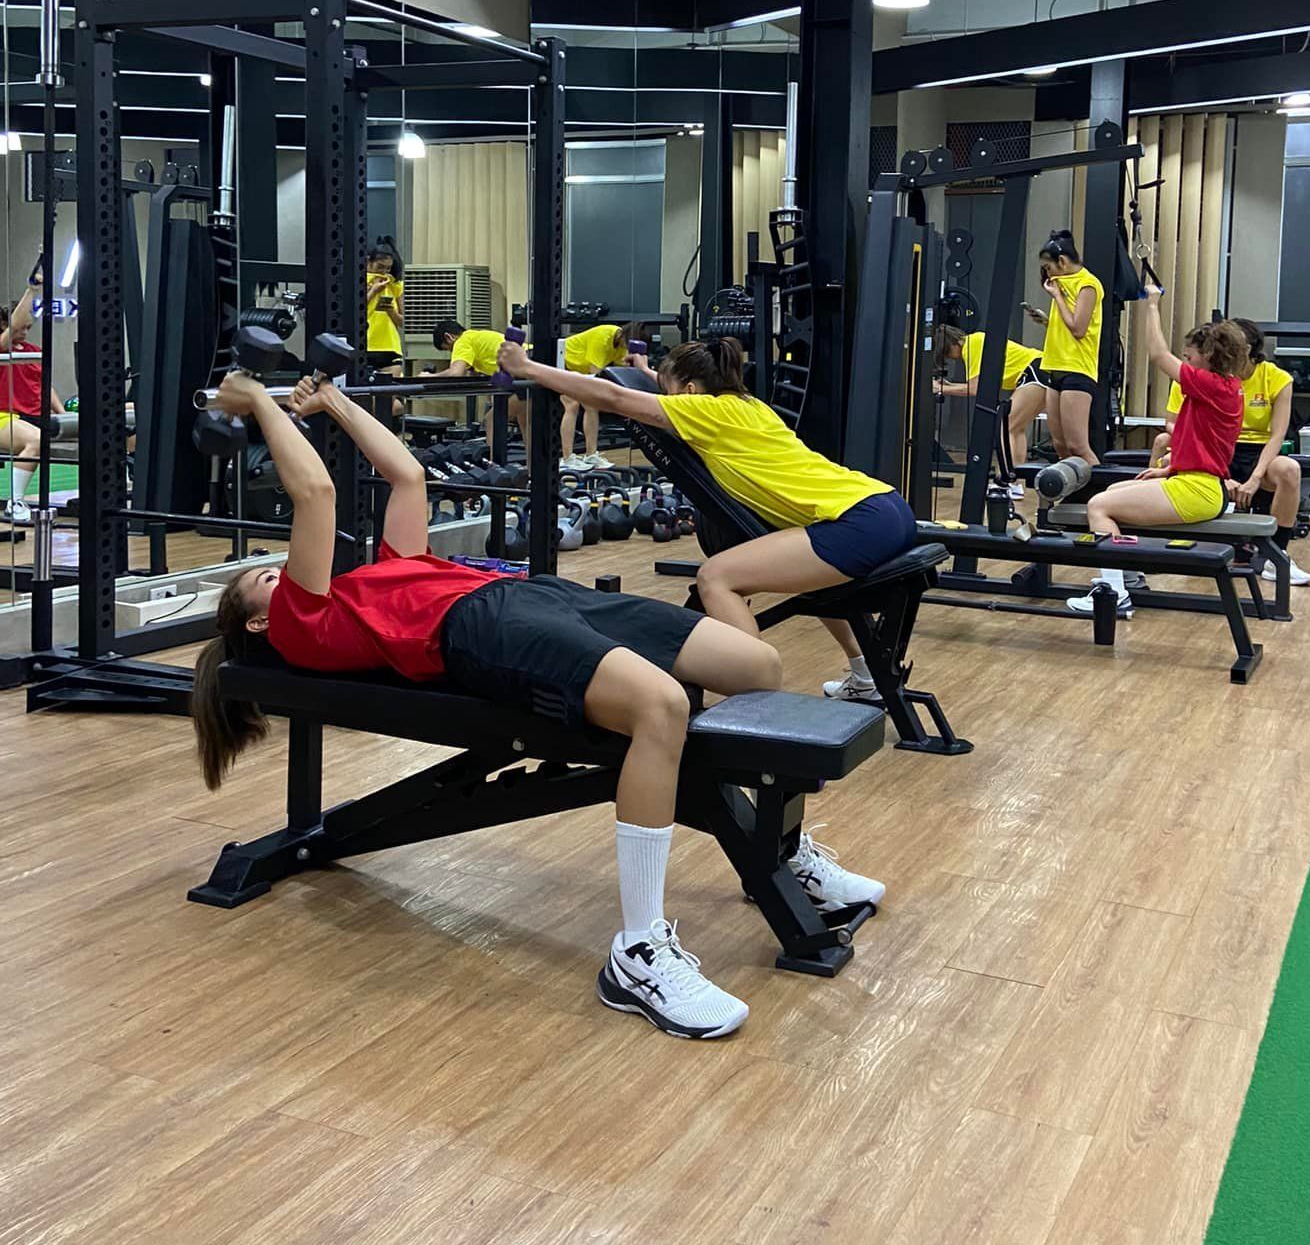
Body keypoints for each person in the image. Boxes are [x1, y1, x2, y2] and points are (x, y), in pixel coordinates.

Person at [189, 369, 884, 1041]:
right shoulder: (301, 624)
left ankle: (780, 850)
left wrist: (336, 404)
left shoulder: (377, 573)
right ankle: (638, 953)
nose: (278, 570)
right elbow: (314, 494)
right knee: (661, 709)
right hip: (480, 631)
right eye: (263, 577)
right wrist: (254, 396)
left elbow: (408, 475)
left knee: (758, 665)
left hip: (537, 596)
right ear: (257, 622)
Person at [501, 333, 921, 704]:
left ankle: (762, 704)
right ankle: (865, 677)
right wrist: (649, 372)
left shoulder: (704, 411)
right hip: (883, 506)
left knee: (716, 577)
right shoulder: (748, 405)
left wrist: (529, 367)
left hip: (856, 522)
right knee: (817, 582)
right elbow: (660, 397)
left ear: (688, 390)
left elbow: (614, 399)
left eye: (670, 391)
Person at [1068, 298, 1247, 618]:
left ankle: (1114, 595)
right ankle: (1127, 574)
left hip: (1198, 490)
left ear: (1208, 356)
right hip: (1197, 482)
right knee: (1111, 494)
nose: (1185, 360)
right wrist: (1167, 471)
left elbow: (1158, 356)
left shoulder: (1214, 385)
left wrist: (1151, 306)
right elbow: (1204, 444)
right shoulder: (1220, 387)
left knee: (1098, 506)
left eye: (1189, 355)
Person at [1151, 316, 1310, 588]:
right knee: (1164, 449)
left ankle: (1277, 556)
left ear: (1246, 349)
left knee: (1289, 470)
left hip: (1257, 453)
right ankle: (1157, 544)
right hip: (1215, 448)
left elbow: (1277, 436)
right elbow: (1174, 420)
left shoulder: (1277, 379)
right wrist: (1219, 475)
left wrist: (1255, 478)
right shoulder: (1202, 375)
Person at [934, 320, 1045, 476]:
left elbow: (974, 389)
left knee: (1006, 426)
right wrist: (949, 386)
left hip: (1033, 372)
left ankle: (1005, 479)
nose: (951, 359)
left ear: (952, 345)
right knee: (1016, 428)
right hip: (1041, 370)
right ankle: (1015, 480)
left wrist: (941, 388)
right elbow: (979, 385)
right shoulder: (976, 340)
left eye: (947, 354)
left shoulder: (970, 347)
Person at [0, 273, 64, 530]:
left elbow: (45, 387)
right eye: (20, 328)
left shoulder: (35, 352)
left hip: (34, 416)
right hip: (5, 417)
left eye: (28, 328)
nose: (24, 333)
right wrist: (33, 290)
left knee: (123, 415)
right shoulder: (2, 348)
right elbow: (13, 328)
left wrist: (64, 415)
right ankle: (15, 503)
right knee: (36, 440)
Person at [1037, 229, 1104, 468]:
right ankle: (1071, 498)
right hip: (1055, 365)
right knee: (1060, 445)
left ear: (1062, 261)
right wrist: (1047, 320)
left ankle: (1099, 496)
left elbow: (1078, 328)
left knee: (1078, 446)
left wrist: (1057, 297)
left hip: (1077, 368)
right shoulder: (1062, 283)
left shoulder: (1088, 284)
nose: (1047, 273)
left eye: (1048, 267)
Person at [425, 315, 530, 460]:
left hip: (523, 373)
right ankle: (532, 475)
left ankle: (496, 469)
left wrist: (429, 377)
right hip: (532, 365)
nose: (453, 354)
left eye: (449, 350)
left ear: (449, 337)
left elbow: (455, 373)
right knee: (526, 424)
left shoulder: (462, 341)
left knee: (491, 420)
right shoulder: (475, 337)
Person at [558, 321, 651, 472]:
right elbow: (594, 370)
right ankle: (567, 458)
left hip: (580, 372)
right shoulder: (603, 336)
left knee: (592, 406)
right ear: (623, 336)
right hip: (563, 362)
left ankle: (591, 454)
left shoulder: (621, 345)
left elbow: (624, 369)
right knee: (572, 405)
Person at [364, 238, 404, 371]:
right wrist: (373, 291)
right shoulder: (359, 280)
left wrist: (391, 311)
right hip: (365, 344)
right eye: (380, 267)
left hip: (389, 345)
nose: (383, 272)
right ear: (368, 261)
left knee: (391, 388)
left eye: (387, 268)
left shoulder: (394, 284)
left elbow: (403, 322)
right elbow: (353, 313)